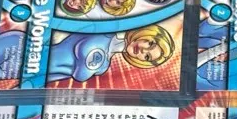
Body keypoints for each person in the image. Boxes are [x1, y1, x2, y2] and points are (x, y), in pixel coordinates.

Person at [47, 23, 175, 84]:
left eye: (147, 56)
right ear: (145, 33)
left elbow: (81, 74)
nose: (143, 50)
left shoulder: (104, 65)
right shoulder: (104, 33)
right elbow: (81, 72)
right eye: (150, 43)